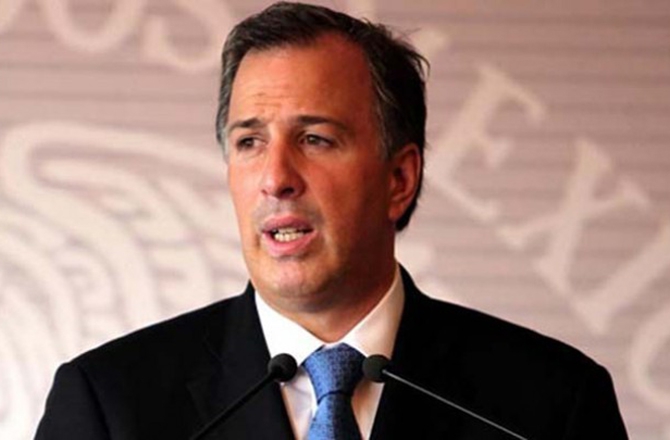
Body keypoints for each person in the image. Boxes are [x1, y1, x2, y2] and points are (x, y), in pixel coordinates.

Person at [35, 2, 628, 439]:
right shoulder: (110, 404)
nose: (275, 178)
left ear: (399, 179)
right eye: (249, 142)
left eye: (315, 139)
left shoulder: (549, 404)